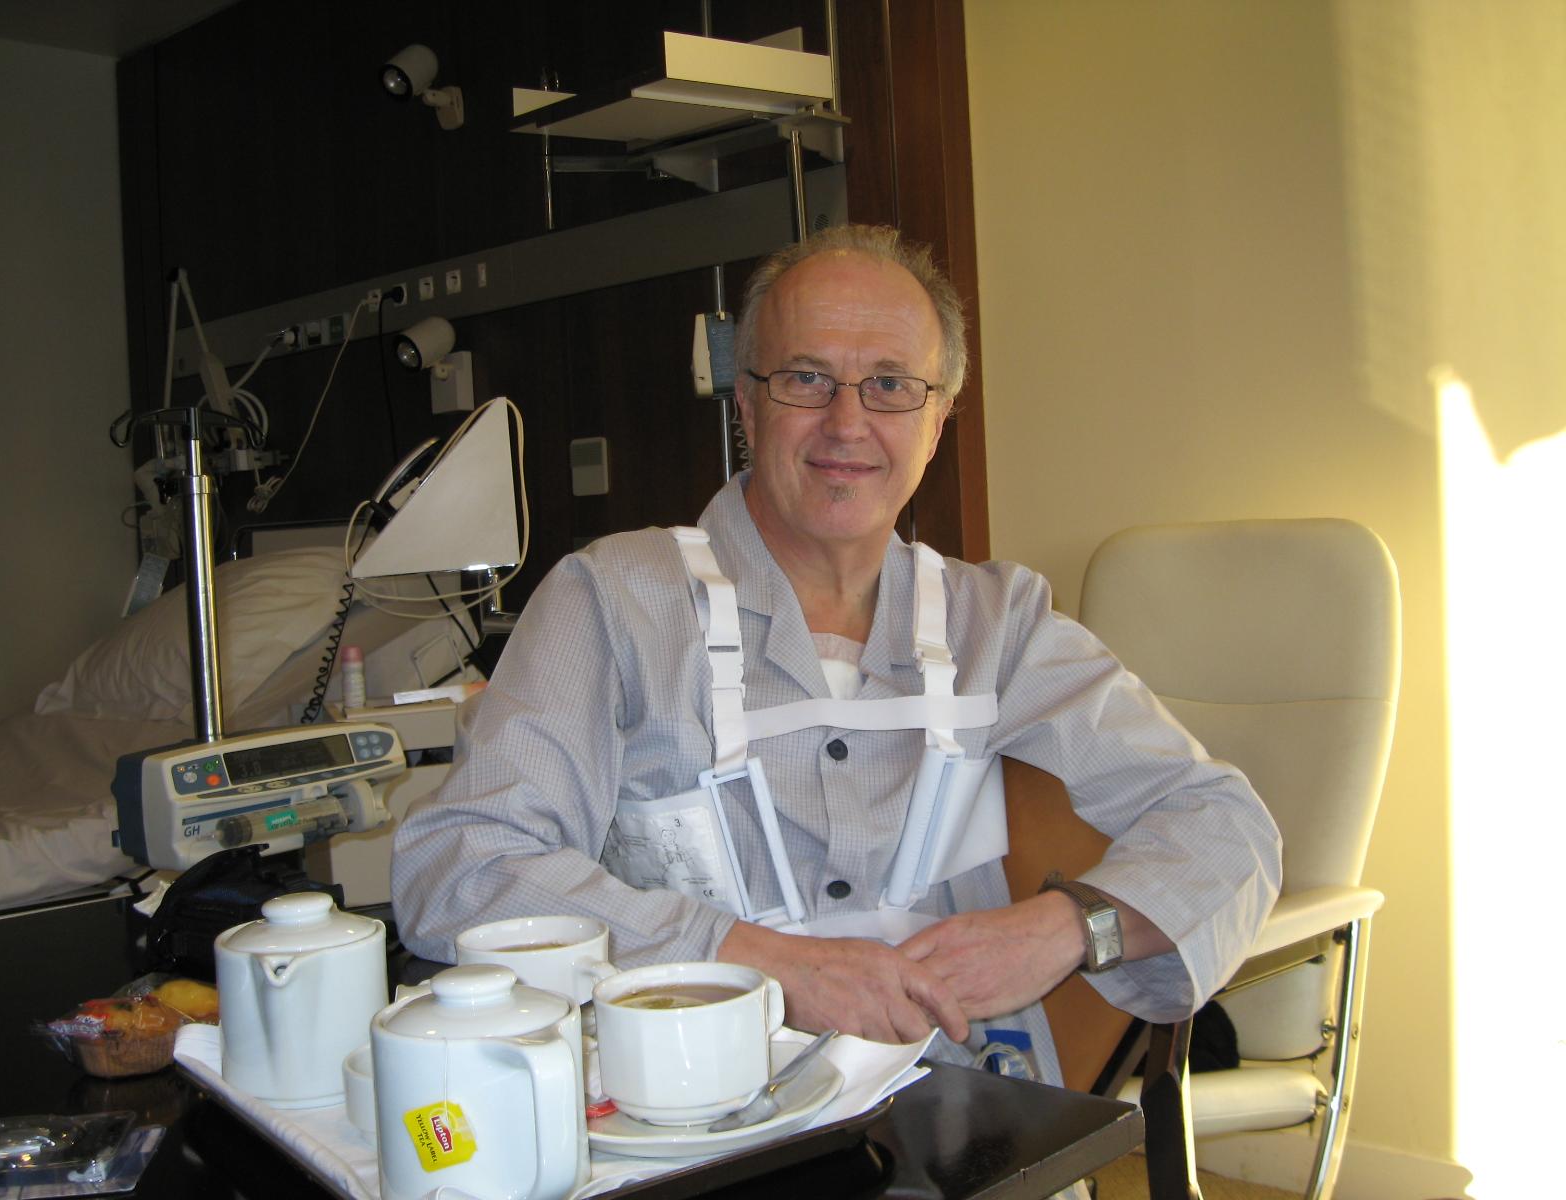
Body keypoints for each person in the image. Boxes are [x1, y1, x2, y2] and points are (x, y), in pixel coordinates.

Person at [392, 224, 1281, 1088]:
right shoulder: (615, 602)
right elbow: (463, 865)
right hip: (690, 1113)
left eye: (891, 385)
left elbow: (1226, 826)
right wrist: (751, 960)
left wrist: (1065, 928)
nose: (847, 423)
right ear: (746, 403)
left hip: (949, 1107)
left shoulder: (998, 625)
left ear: (938, 421)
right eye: (806, 379)